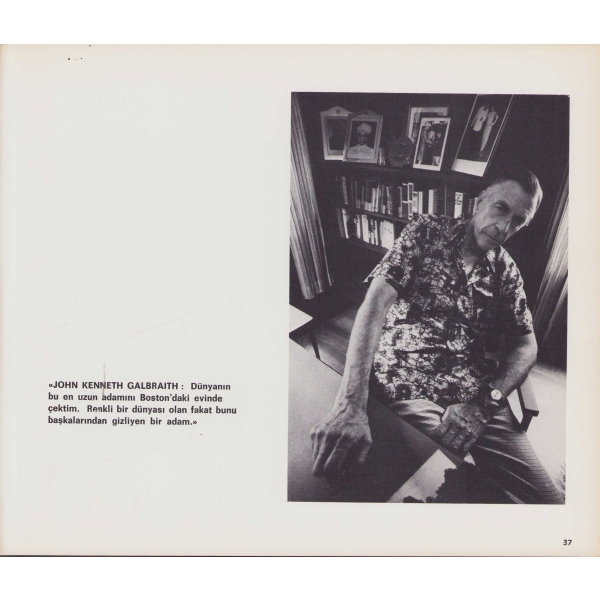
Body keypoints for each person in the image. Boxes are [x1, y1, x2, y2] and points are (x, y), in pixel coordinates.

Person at [310, 168, 563, 504]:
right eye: (501, 208)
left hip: (477, 397)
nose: (504, 227)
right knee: (443, 487)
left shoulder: (506, 271)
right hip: (408, 385)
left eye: (518, 221)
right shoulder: (426, 232)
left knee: (549, 501)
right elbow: (374, 305)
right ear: (480, 200)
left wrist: (486, 403)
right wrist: (350, 402)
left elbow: (526, 344)